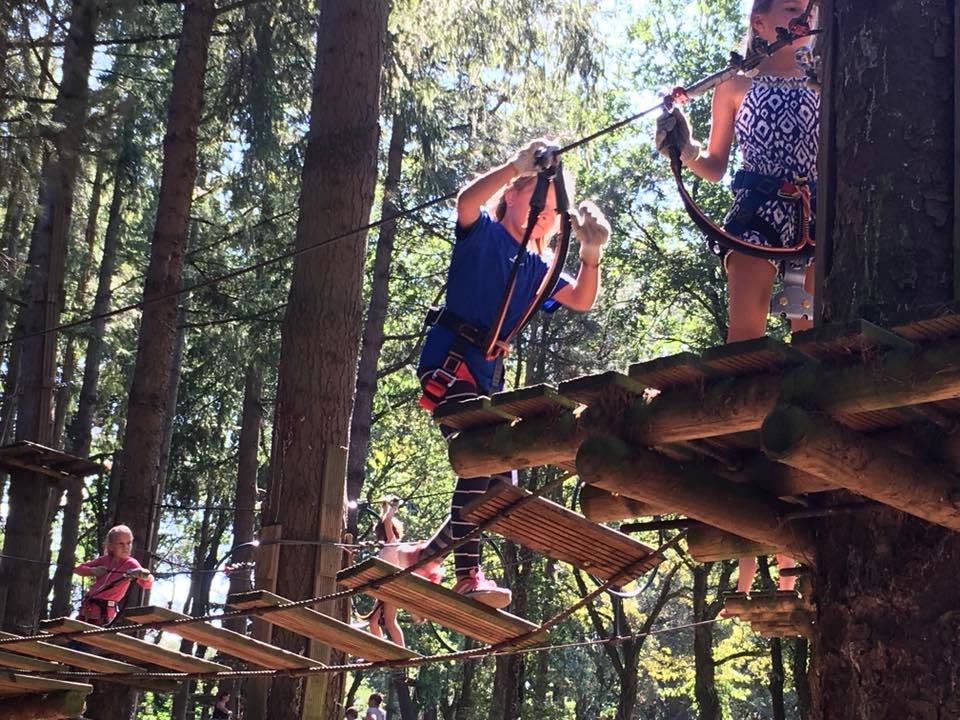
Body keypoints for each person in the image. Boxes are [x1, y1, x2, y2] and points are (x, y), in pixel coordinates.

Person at [402, 138, 610, 607]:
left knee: (501, 484)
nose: (543, 216)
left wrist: (591, 252)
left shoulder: (539, 267)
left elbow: (581, 297)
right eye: (538, 202)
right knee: (485, 456)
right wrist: (513, 166)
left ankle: (425, 556)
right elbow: (466, 203)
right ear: (512, 194)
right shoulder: (484, 236)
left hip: (483, 378)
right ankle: (466, 574)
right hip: (451, 366)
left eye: (553, 212)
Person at [655, 0, 818, 594]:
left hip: (811, 219)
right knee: (745, 339)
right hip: (756, 211)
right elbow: (715, 164)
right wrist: (681, 145)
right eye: (792, 8)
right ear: (760, 21)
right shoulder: (733, 85)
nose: (803, 17)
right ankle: (741, 466)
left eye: (809, 9)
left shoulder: (828, 80)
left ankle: (802, 483)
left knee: (810, 343)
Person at [360, 495, 429, 646]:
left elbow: (387, 522)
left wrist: (393, 508)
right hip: (384, 586)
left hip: (392, 586)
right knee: (373, 621)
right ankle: (379, 649)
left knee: (389, 621)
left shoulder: (393, 543)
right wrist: (385, 507)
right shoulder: (386, 546)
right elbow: (384, 520)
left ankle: (401, 649)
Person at [74, 524, 154, 625]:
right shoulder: (104, 560)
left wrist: (145, 575)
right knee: (76, 633)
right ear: (111, 546)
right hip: (87, 609)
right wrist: (93, 571)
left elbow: (147, 584)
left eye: (129, 543)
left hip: (105, 612)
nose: (126, 547)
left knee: (96, 634)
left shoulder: (131, 563)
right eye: (121, 544)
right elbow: (78, 569)